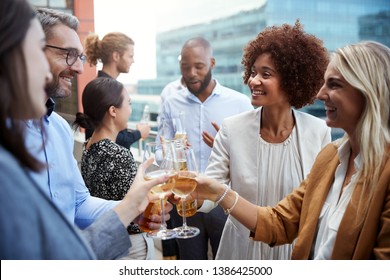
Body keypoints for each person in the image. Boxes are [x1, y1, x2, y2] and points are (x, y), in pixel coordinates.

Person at [0, 0, 165, 260]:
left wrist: (133, 209)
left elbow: (78, 204)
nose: (78, 68)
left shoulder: (60, 130)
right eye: (68, 54)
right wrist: (129, 206)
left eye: (81, 56)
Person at [195, 40, 390, 259]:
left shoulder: (321, 136)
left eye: (334, 84)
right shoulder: (331, 158)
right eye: (253, 72)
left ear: (369, 91)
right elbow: (280, 222)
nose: (320, 94)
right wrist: (215, 192)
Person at [198, 21, 332, 260]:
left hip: (292, 251)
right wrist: (187, 195)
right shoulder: (232, 129)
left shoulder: (319, 131)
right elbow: (210, 191)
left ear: (292, 80)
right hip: (240, 252)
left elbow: (322, 204)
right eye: (253, 72)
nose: (253, 80)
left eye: (265, 74)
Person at [158, 37, 253, 259]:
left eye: (199, 66)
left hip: (225, 201)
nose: (191, 73)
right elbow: (160, 149)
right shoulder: (171, 102)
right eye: (185, 67)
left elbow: (253, 154)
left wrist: (228, 145)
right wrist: (172, 151)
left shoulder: (239, 102)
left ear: (212, 63)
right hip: (185, 199)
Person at [73, 77, 154, 260]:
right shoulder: (119, 154)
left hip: (106, 239)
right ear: (113, 111)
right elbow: (139, 204)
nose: (130, 109)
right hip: (131, 245)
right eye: (129, 103)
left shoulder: (88, 147)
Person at [84, 32, 150, 148]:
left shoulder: (97, 86)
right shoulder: (105, 90)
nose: (133, 61)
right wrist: (139, 133)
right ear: (116, 56)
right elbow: (111, 139)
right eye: (130, 56)